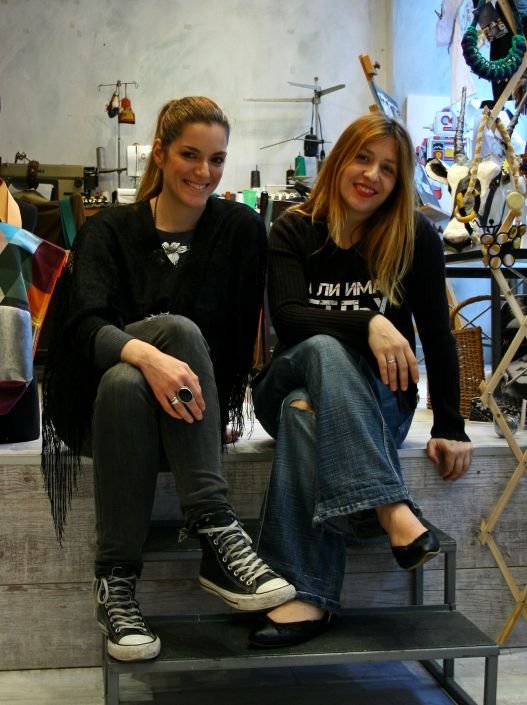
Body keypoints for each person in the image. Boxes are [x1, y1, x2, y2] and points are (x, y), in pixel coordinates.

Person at [40, 96, 295, 662]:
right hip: (105, 423)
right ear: (159, 152)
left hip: (190, 419)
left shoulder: (239, 230)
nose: (204, 172)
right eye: (189, 155)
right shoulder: (108, 231)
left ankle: (115, 585)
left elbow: (236, 342)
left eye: (217, 159)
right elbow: (81, 328)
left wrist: (213, 410)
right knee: (140, 365)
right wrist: (147, 356)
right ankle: (215, 527)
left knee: (130, 375)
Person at [249, 111, 473, 648]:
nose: (372, 175)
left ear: (399, 181)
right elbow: (290, 319)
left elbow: (438, 335)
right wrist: (369, 322)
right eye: (363, 158)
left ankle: (305, 596)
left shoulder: (414, 237)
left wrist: (451, 424)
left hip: (378, 402)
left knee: (305, 414)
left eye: (388, 169)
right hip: (286, 376)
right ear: (339, 161)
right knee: (322, 349)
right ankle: (389, 506)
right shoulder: (293, 229)